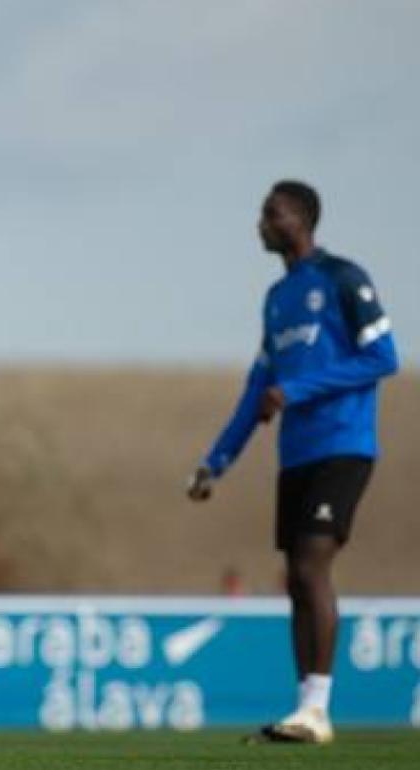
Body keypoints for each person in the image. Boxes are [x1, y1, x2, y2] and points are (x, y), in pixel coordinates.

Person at [187, 180, 398, 744]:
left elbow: (384, 357)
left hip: (344, 445)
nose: (260, 222)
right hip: (296, 456)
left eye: (270, 213)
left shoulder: (343, 278)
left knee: (310, 568)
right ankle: (307, 710)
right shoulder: (277, 300)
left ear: (300, 220)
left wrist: (300, 389)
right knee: (298, 582)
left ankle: (319, 707)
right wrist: (216, 462)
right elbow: (258, 390)